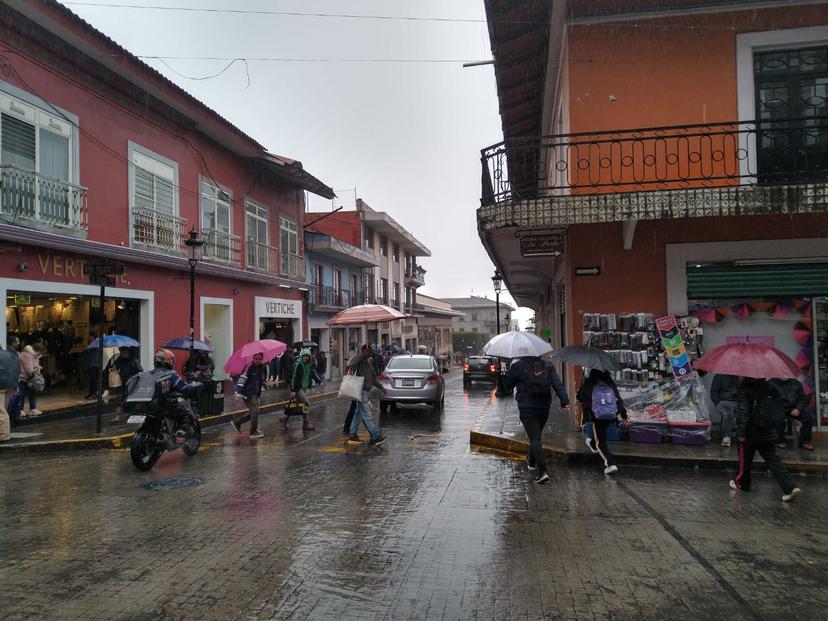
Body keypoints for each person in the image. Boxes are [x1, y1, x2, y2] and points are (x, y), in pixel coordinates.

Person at [730, 378, 801, 502]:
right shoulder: (771, 388)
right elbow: (779, 409)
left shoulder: (745, 390)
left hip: (750, 432)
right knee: (773, 460)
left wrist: (740, 433)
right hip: (768, 431)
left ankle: (742, 484)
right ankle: (790, 487)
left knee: (744, 460)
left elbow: (744, 413)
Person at [504, 355, 570, 484]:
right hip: (544, 408)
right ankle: (532, 462)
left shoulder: (517, 366)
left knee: (534, 438)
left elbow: (508, 386)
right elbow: (557, 384)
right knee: (536, 435)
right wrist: (564, 401)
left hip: (527, 408)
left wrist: (506, 375)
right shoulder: (548, 366)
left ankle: (543, 472)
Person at [577, 369, 628, 475]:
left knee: (601, 441)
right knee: (601, 435)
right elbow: (618, 399)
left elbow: (581, 397)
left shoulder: (589, 382)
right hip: (611, 415)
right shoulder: (609, 381)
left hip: (597, 416)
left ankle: (610, 464)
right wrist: (624, 416)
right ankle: (592, 444)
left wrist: (580, 392)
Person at [346, 344, 388, 445]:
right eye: (368, 351)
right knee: (367, 414)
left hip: (365, 391)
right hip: (360, 391)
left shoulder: (369, 362)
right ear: (363, 351)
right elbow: (349, 363)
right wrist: (361, 355)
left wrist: (382, 388)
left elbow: (373, 378)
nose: (370, 353)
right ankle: (376, 436)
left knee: (358, 414)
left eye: (371, 351)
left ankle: (352, 435)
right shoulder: (358, 361)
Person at [151, 348, 200, 432]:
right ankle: (180, 435)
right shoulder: (171, 374)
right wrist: (195, 386)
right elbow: (183, 388)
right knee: (187, 413)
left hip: (150, 406)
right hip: (166, 406)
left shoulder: (150, 374)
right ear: (169, 361)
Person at [769, 378, 814, 451]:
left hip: (794, 408)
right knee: (777, 420)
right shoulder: (771, 383)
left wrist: (798, 408)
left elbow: (802, 398)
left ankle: (804, 441)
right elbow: (767, 398)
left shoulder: (796, 383)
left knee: (809, 418)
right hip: (779, 408)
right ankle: (780, 440)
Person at [230, 352, 267, 438]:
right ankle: (253, 431)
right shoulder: (249, 367)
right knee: (255, 411)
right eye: (256, 359)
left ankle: (237, 422)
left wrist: (263, 383)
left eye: (260, 359)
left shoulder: (260, 367)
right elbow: (243, 378)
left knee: (254, 411)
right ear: (253, 359)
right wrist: (238, 392)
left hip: (255, 392)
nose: (257, 361)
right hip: (248, 393)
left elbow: (259, 379)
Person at [104, 347, 144, 422]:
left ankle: (132, 415)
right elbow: (113, 367)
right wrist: (113, 368)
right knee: (119, 399)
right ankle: (118, 416)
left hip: (132, 383)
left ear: (128, 352)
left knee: (130, 400)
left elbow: (141, 371)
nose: (123, 354)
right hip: (122, 382)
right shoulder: (119, 360)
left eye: (124, 352)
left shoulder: (134, 360)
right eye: (122, 352)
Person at [287, 348, 321, 431]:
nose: (306, 358)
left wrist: (319, 381)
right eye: (304, 356)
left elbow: (313, 373)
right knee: (305, 403)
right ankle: (306, 423)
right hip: (297, 388)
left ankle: (285, 419)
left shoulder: (309, 365)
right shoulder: (297, 364)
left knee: (295, 405)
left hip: (303, 387)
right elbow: (293, 378)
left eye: (307, 356)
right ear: (302, 356)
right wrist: (292, 390)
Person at [710, 373, 743, 448]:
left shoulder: (742, 376)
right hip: (724, 401)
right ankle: (726, 436)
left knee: (745, 413)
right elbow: (714, 391)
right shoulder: (719, 376)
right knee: (728, 413)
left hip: (739, 401)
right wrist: (717, 402)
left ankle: (740, 434)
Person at [18, 344, 44, 417]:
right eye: (41, 352)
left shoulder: (35, 356)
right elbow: (29, 369)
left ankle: (33, 408)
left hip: (30, 378)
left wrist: (37, 368)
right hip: (22, 378)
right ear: (37, 350)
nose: (41, 355)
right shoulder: (26, 354)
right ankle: (20, 410)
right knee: (21, 394)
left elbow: (35, 366)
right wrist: (37, 369)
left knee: (31, 393)